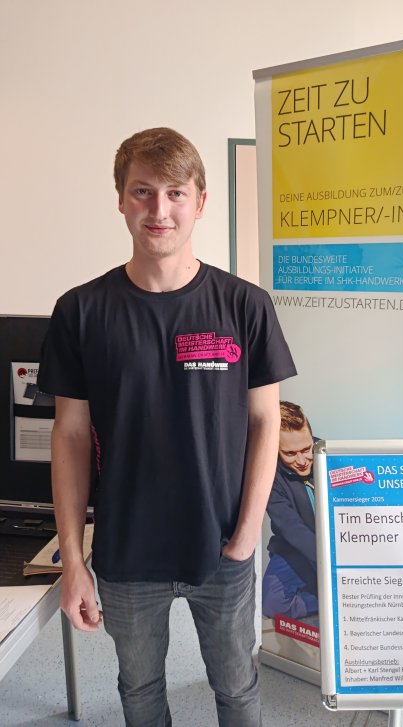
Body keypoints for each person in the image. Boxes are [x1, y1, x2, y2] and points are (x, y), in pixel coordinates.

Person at [38, 127, 297, 727]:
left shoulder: (245, 306)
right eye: (143, 191)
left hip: (222, 545)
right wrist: (73, 559)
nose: (159, 210)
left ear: (200, 201)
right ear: (121, 200)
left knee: (237, 687)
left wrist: (247, 533)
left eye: (176, 193)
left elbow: (267, 422)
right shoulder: (81, 311)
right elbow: (69, 437)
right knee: (140, 690)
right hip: (126, 549)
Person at [262, 401, 318, 620]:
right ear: (275, 448)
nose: (302, 460)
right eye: (290, 453)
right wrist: (326, 564)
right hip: (293, 549)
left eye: (306, 449)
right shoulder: (268, 474)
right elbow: (291, 528)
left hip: (336, 548)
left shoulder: (331, 457)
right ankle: (325, 597)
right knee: (271, 604)